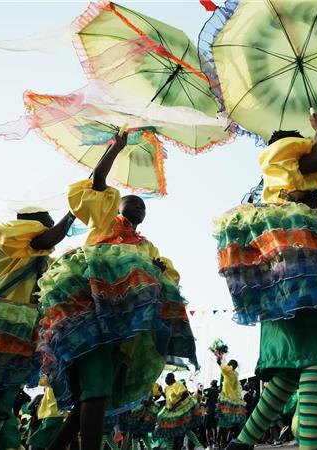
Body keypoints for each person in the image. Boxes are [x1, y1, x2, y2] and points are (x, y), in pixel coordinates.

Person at [38, 131, 197, 450]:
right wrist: (116, 147)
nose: (138, 209)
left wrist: (160, 272)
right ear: (119, 205)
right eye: (132, 204)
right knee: (94, 389)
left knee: (95, 392)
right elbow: (97, 180)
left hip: (121, 333)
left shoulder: (147, 247)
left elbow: (165, 279)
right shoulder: (106, 221)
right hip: (89, 319)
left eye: (142, 207)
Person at [214, 108, 317, 450]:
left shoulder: (279, 197)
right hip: (298, 281)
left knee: (289, 372)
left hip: (279, 284)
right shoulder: (285, 154)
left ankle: (241, 444)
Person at [0, 205, 74, 450]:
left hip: (17, 333)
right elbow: (47, 238)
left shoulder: (41, 259)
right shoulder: (11, 233)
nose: (52, 225)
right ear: (31, 221)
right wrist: (76, 208)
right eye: (48, 221)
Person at [155, 373, 205, 450]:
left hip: (181, 410)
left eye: (167, 379)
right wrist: (162, 392)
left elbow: (185, 394)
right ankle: (170, 448)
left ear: (172, 378)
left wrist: (176, 404)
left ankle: (198, 445)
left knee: (185, 428)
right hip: (171, 411)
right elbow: (167, 398)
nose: (165, 380)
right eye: (165, 379)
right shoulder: (167, 388)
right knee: (170, 431)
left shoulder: (178, 384)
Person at [216, 360, 247, 446]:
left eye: (233, 365)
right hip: (233, 401)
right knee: (229, 423)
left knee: (227, 423)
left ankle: (225, 443)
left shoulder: (230, 372)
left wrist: (219, 360)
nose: (232, 366)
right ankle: (225, 442)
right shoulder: (233, 373)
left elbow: (223, 368)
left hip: (228, 401)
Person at [203, 380, 220, 447]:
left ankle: (209, 442)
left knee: (207, 428)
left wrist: (203, 411)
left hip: (208, 411)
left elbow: (203, 401)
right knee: (215, 427)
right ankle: (215, 441)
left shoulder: (208, 391)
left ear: (211, 384)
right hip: (216, 411)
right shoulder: (219, 392)